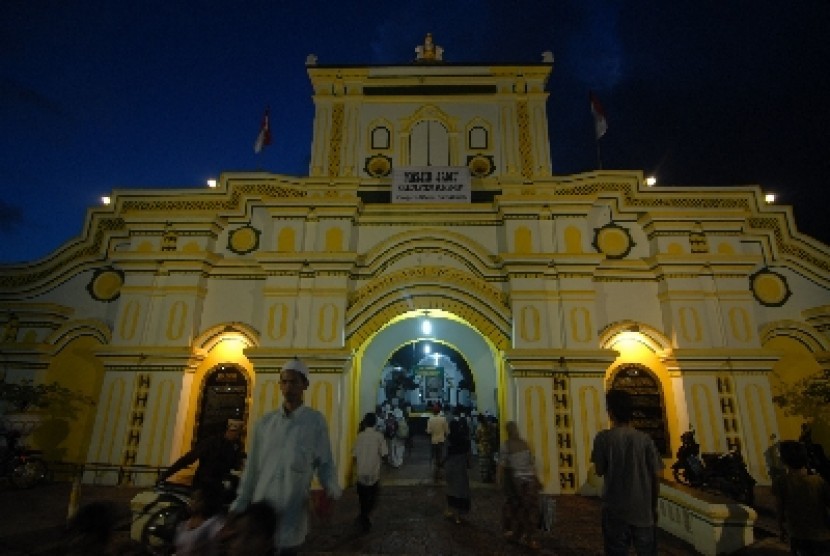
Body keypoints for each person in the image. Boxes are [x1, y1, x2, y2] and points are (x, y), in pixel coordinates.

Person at [229, 357, 342, 556]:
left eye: (294, 382)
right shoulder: (264, 424)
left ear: (305, 385)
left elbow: (325, 463)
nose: (289, 387)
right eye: (285, 381)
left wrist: (331, 491)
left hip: (292, 513)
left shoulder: (315, 422)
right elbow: (252, 469)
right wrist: (240, 505)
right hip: (261, 515)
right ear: (280, 385)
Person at [591, 388, 663, 556]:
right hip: (643, 510)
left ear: (610, 412)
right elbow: (655, 476)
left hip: (615, 508)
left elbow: (599, 470)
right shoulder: (644, 439)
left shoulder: (603, 438)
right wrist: (653, 506)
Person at [158, 418, 244, 497]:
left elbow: (236, 465)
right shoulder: (212, 443)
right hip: (204, 486)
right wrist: (166, 474)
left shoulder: (235, 446)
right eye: (236, 432)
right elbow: (188, 458)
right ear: (229, 430)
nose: (237, 436)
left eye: (239, 433)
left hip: (220, 485)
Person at [772, 440, 830, 555]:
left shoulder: (781, 482)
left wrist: (781, 528)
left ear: (784, 460)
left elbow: (779, 508)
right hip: (821, 535)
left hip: (798, 535)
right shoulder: (818, 480)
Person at [497, 421, 541, 550]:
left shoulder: (507, 445)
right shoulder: (524, 444)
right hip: (529, 480)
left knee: (515, 508)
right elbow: (531, 463)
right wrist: (536, 478)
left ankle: (516, 533)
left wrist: (498, 479)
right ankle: (528, 536)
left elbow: (502, 464)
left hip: (517, 482)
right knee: (529, 509)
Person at [353, 412, 388, 532]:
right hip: (373, 471)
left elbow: (354, 455)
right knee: (373, 496)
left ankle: (363, 515)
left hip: (361, 471)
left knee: (362, 497)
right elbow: (384, 454)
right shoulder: (379, 436)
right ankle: (366, 515)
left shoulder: (359, 436)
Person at [174, 484, 225, 556]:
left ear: (206, 502)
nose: (191, 502)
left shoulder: (214, 524)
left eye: (196, 499)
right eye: (191, 498)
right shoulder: (184, 524)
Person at [443, 417, 472, 524]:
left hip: (451, 467)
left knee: (451, 489)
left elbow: (445, 454)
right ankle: (458, 516)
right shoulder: (464, 439)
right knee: (461, 491)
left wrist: (442, 463)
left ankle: (450, 510)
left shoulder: (449, 439)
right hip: (461, 468)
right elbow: (468, 454)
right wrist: (469, 464)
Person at [426, 404, 449, 478]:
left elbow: (429, 431)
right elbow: (447, 431)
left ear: (433, 412)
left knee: (435, 455)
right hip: (441, 440)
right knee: (441, 454)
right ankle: (440, 468)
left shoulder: (430, 419)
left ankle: (436, 468)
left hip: (434, 440)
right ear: (439, 411)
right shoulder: (443, 419)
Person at [475, 414, 495, 482]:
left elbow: (477, 437)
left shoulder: (479, 427)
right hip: (489, 446)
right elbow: (493, 435)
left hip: (482, 447)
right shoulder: (490, 425)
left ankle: (484, 477)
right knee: (489, 462)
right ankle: (489, 476)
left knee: (483, 463)